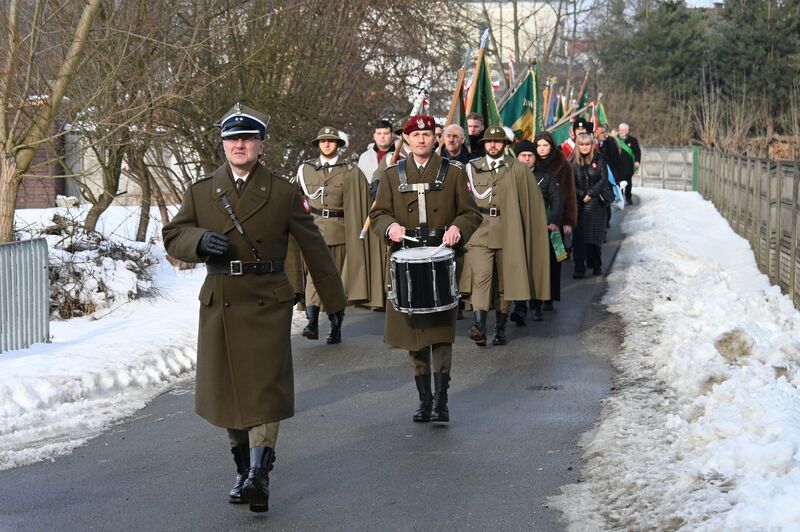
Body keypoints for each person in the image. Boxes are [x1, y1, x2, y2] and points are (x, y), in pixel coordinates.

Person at [162, 103, 346, 513]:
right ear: (223, 145)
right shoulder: (202, 190)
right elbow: (173, 234)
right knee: (229, 390)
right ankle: (243, 470)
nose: (239, 145)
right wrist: (198, 240)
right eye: (232, 139)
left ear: (261, 145)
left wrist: (334, 300)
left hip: (267, 298)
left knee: (263, 387)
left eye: (246, 139)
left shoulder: (283, 192)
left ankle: (260, 473)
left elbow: (313, 247)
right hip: (221, 297)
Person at [369, 114, 482, 423]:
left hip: (443, 257)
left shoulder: (455, 173)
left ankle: (442, 400)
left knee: (441, 332)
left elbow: (471, 214)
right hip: (405, 257)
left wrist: (458, 227)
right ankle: (424, 399)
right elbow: (377, 215)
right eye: (414, 135)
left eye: (427, 135)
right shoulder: (393, 175)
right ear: (405, 140)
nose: (421, 140)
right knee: (414, 332)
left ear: (437, 139)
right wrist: (389, 225)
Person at [460, 126, 551, 346]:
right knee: (481, 277)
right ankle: (479, 327)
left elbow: (533, 206)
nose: (493, 145)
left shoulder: (518, 169)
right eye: (489, 142)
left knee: (504, 283)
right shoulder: (471, 168)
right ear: (483, 144)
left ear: (505, 145)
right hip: (479, 230)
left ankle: (500, 329)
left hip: (508, 231)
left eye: (498, 141)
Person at [295, 126, 383, 343]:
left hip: (340, 231)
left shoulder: (351, 171)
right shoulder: (304, 170)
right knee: (313, 276)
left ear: (338, 145)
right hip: (312, 230)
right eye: (322, 141)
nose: (326, 144)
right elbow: (295, 199)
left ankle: (336, 326)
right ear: (318, 144)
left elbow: (363, 202)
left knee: (336, 282)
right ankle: (312, 322)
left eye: (331, 141)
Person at [509, 136, 563, 324]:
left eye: (529, 155)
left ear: (535, 158)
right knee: (518, 267)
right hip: (517, 229)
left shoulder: (546, 177)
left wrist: (553, 221)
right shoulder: (510, 176)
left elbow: (556, 200)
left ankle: (536, 306)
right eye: (522, 155)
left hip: (541, 229)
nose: (526, 158)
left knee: (536, 269)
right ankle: (520, 307)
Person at [570, 132, 609, 278]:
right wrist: (581, 195)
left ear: (592, 145)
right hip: (578, 203)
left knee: (593, 238)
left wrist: (590, 194)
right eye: (581, 144)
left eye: (587, 144)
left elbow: (603, 180)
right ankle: (579, 268)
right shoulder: (573, 161)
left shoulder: (600, 159)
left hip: (596, 203)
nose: (584, 147)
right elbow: (571, 181)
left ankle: (596, 265)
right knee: (579, 238)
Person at [357, 119, 395, 187]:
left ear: (392, 135)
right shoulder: (364, 157)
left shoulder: (400, 155)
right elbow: (359, 182)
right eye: (379, 133)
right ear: (374, 136)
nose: (382, 137)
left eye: (386, 133)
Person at [617, 122, 641, 205]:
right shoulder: (614, 139)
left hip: (628, 166)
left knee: (628, 183)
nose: (622, 131)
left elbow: (637, 151)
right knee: (618, 183)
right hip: (618, 166)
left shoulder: (632, 140)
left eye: (624, 130)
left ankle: (628, 197)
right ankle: (619, 198)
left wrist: (637, 161)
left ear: (627, 131)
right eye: (620, 130)